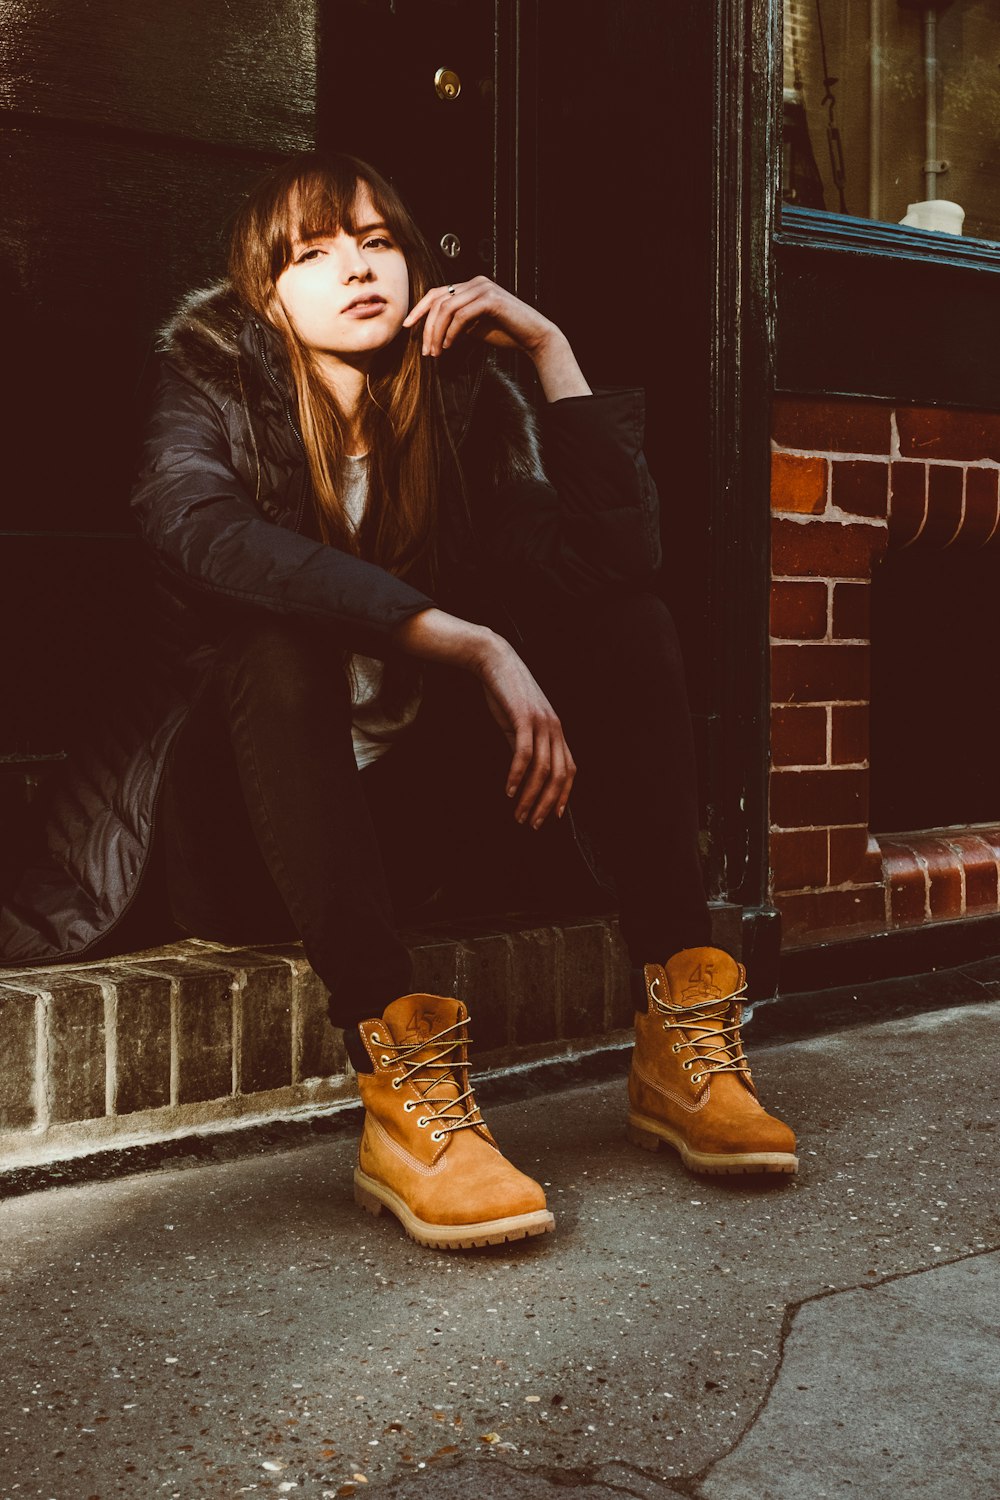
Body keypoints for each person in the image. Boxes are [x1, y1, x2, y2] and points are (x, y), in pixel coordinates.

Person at [1, 153, 797, 1246]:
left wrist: (551, 354)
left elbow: (615, 566)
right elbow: (203, 534)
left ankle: (677, 1027)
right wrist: (467, 642)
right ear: (263, 292)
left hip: (409, 833)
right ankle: (399, 1086)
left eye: (378, 240)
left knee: (629, 625)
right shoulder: (206, 384)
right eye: (312, 252)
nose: (357, 267)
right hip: (239, 844)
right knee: (272, 643)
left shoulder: (466, 403)